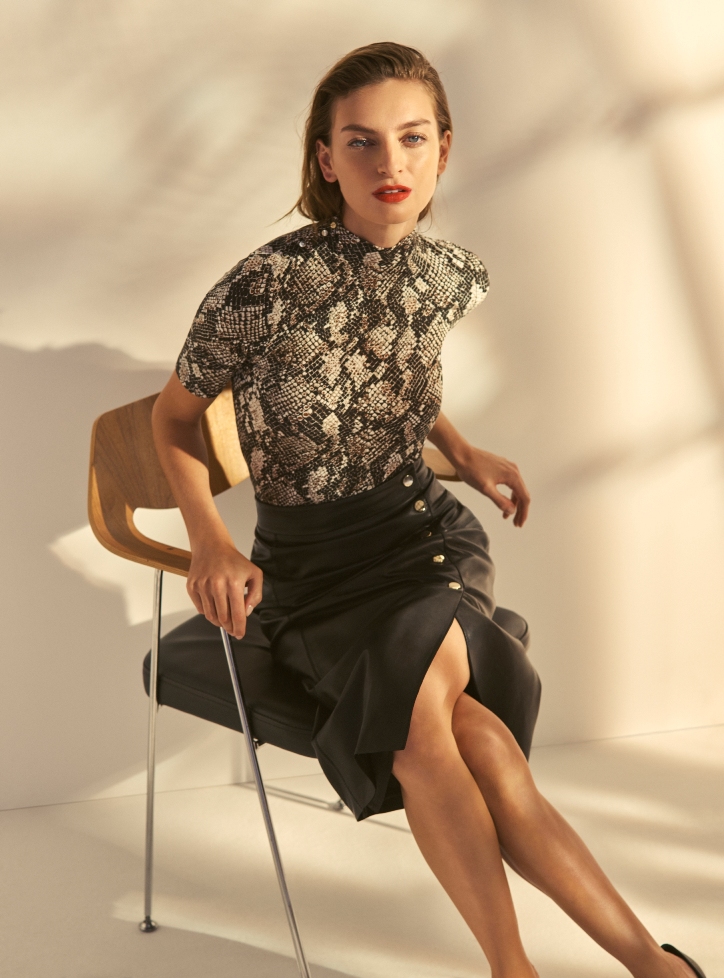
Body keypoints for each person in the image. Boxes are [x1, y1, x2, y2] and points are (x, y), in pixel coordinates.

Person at [151, 41, 706, 978]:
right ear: (326, 158)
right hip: (310, 569)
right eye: (361, 141)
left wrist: (461, 450)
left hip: (421, 543)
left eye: (412, 138)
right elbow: (171, 420)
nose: (390, 162)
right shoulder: (265, 285)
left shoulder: (446, 274)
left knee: (417, 741)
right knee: (473, 741)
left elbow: (395, 372)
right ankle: (657, 967)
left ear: (443, 149)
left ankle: (519, 972)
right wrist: (208, 538)